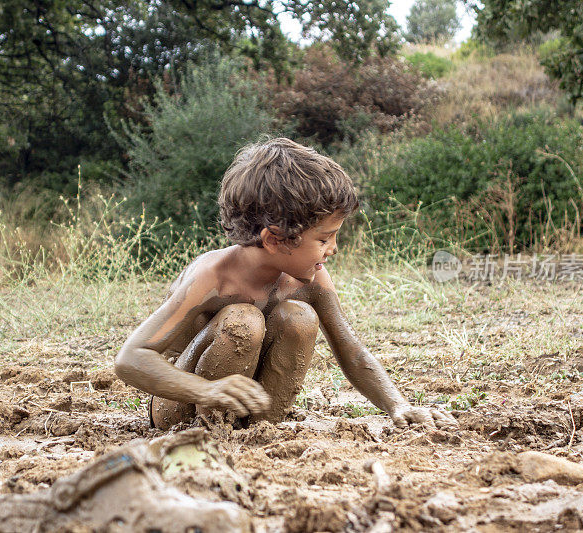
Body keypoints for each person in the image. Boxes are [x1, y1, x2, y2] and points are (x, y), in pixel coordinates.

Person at [115, 138, 457, 431]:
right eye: (323, 239)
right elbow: (131, 358)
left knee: (300, 318)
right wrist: (206, 391)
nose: (333, 249)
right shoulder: (211, 277)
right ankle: (216, 429)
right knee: (242, 321)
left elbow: (351, 350)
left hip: (259, 412)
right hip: (181, 412)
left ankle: (261, 430)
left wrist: (398, 405)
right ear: (276, 239)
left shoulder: (308, 279)